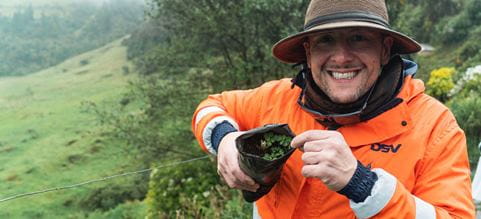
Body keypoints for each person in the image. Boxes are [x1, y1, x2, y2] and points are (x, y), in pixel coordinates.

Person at [191, 0, 475, 218]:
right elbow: (211, 107)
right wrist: (225, 140)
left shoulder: (435, 127)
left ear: (385, 49)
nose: (341, 57)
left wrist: (363, 185)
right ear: (308, 50)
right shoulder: (276, 98)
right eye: (326, 40)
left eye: (358, 38)